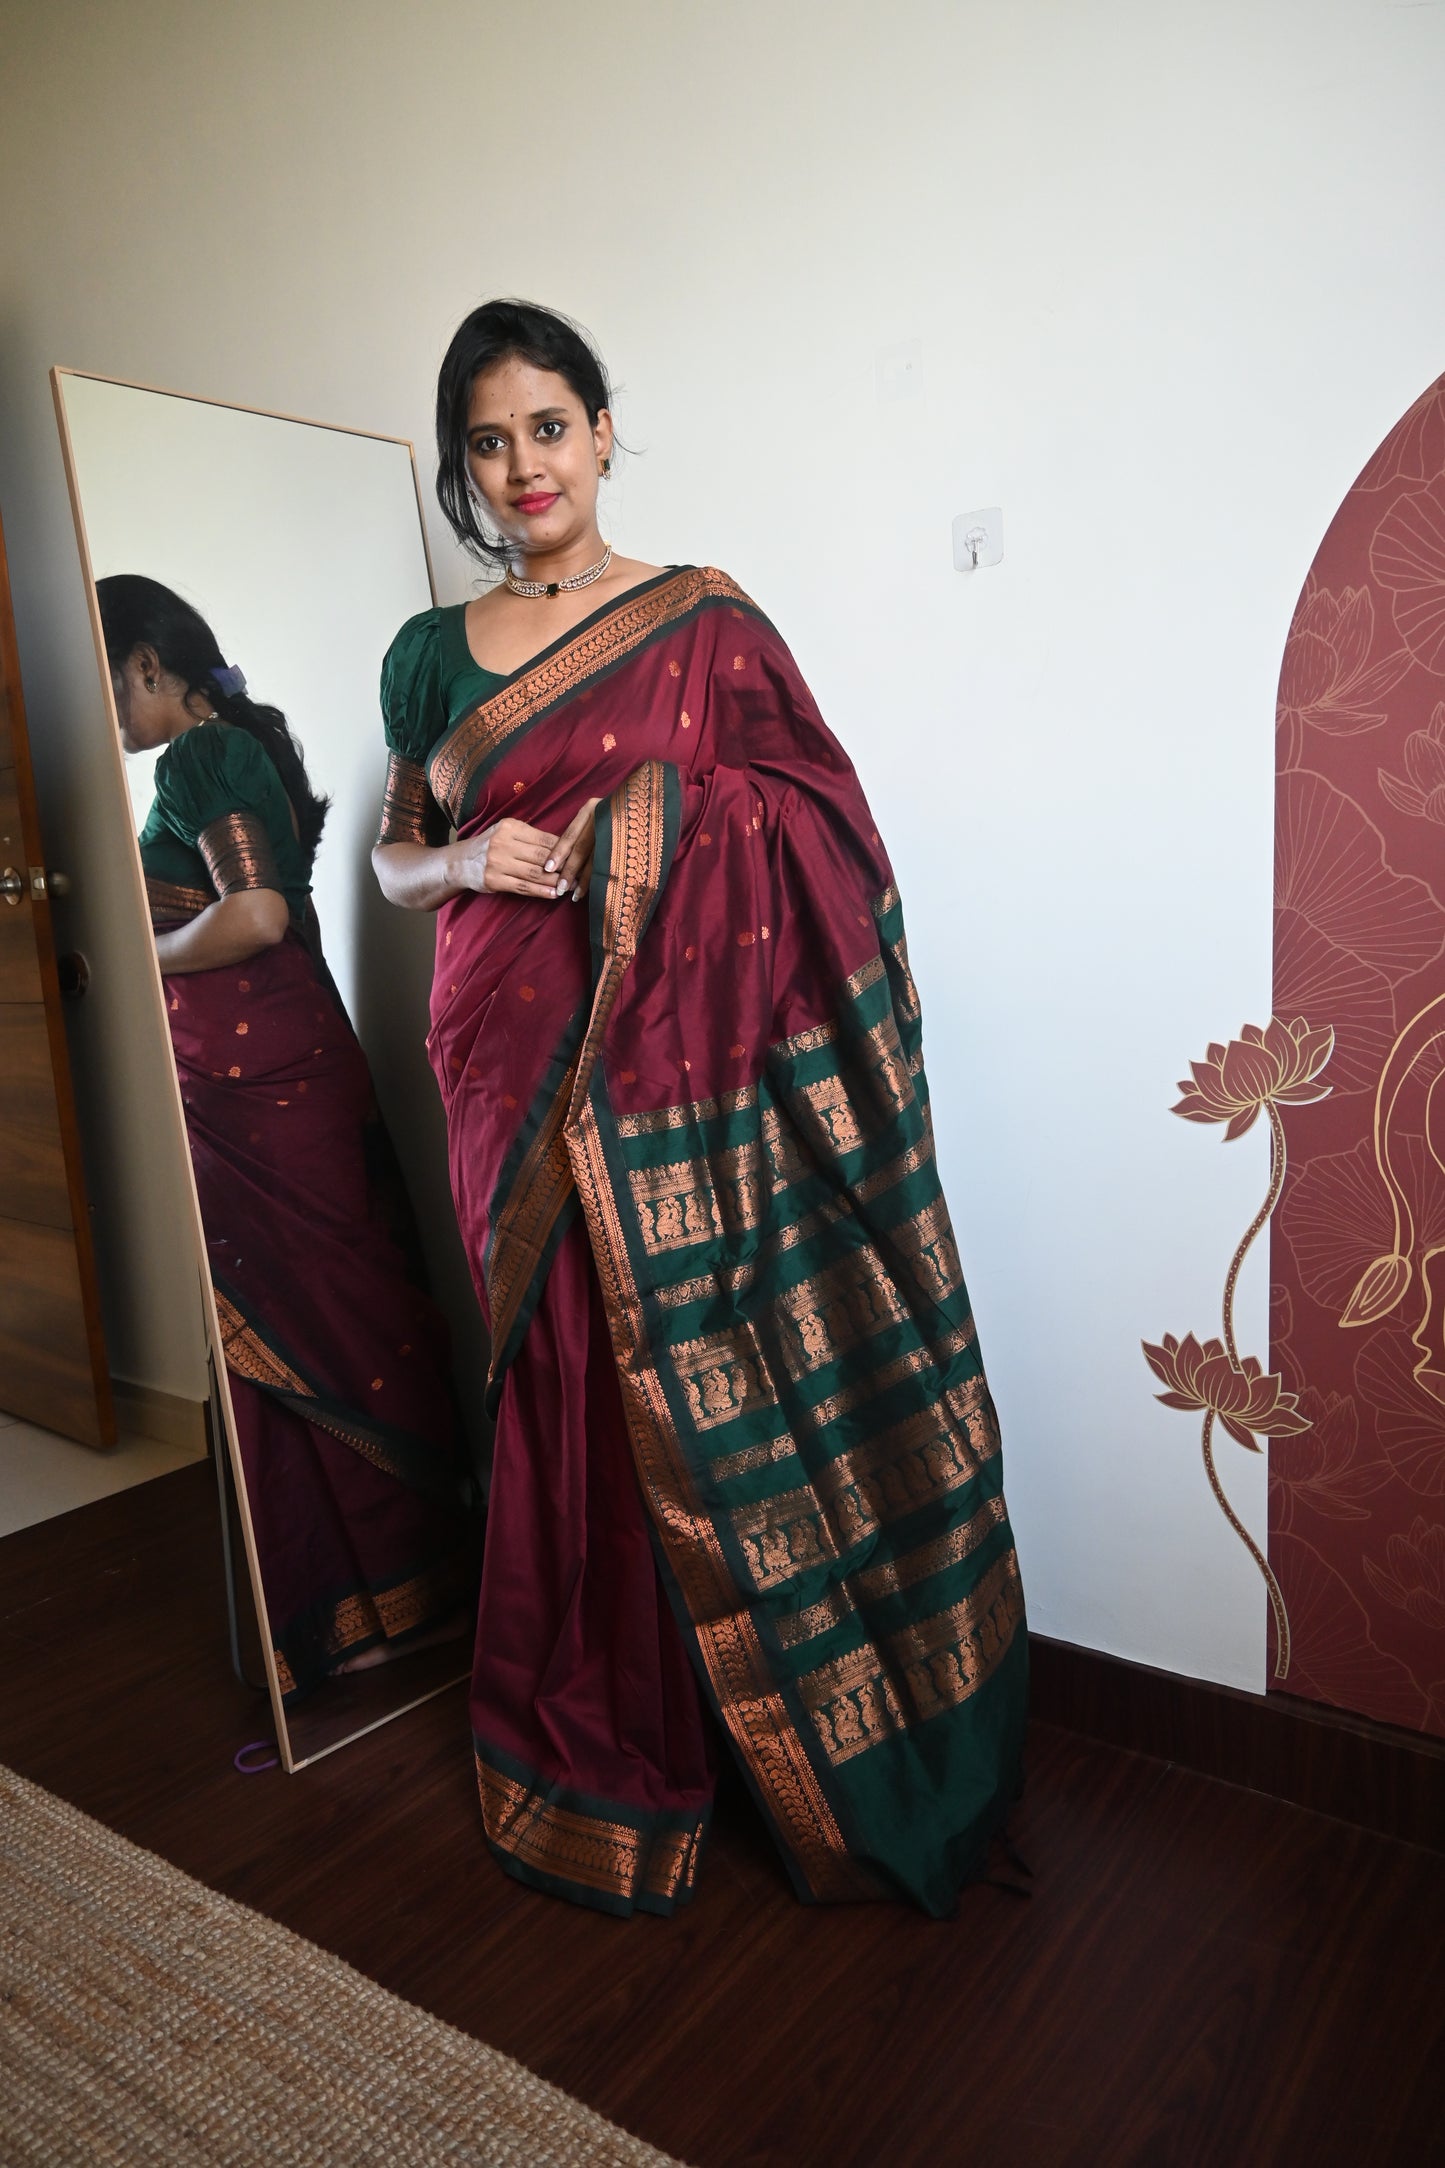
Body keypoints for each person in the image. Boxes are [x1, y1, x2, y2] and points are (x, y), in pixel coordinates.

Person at [373, 301, 1027, 1918]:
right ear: (466, 468)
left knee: (689, 1348)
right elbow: (397, 855)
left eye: (548, 425)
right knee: (563, 1377)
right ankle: (600, 1737)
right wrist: (472, 858)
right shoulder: (430, 652)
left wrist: (651, 815)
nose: (523, 464)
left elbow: (823, 820)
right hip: (499, 1053)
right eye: (487, 441)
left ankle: (766, 1739)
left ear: (601, 432)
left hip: (675, 1065)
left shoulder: (703, 620)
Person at [100, 574, 472, 1702]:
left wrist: (136, 948)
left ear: (150, 667)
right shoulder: (243, 746)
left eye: (113, 683)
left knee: (294, 1321)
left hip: (260, 1087)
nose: (113, 713)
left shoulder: (198, 756)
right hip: (286, 1071)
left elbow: (256, 914)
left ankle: (360, 1614)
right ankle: (401, 1596)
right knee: (326, 1316)